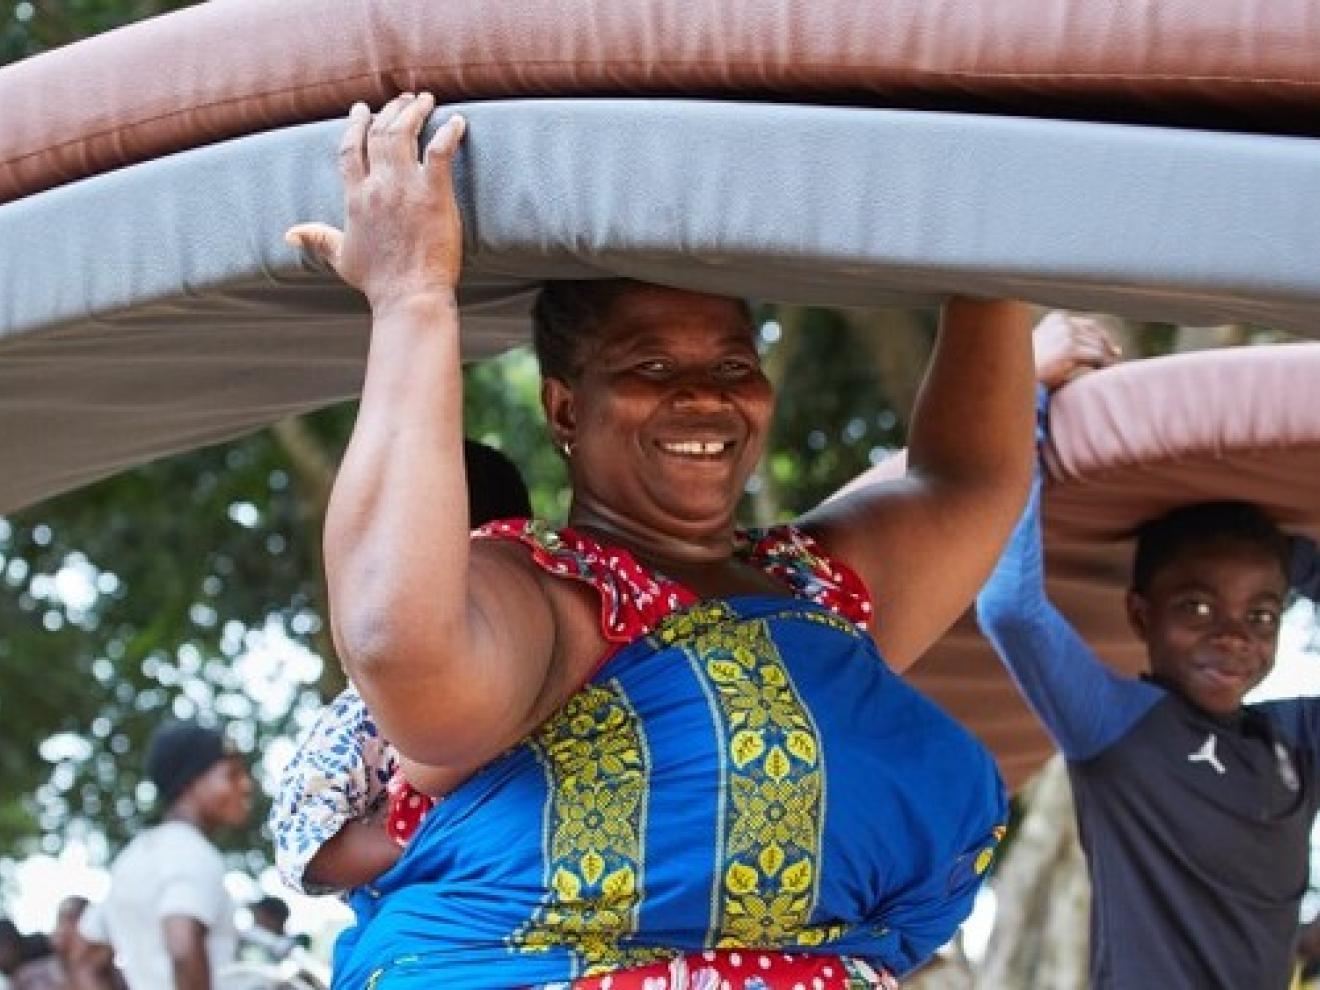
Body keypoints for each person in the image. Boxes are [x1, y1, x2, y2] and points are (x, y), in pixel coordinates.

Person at [285, 92, 1037, 988]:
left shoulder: (815, 590)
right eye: (651, 366)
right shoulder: (553, 593)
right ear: (566, 409)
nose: (704, 395)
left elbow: (969, 481)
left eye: (733, 364)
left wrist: (994, 245)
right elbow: (399, 648)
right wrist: (411, 298)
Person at [976, 313, 1320, 989]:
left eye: (1260, 614)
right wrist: (1024, 391)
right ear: (1141, 614)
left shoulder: (1293, 743)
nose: (1233, 635)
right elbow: (1009, 607)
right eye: (1197, 607)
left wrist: (1294, 559)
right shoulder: (1116, 723)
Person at [271, 440, 532, 895]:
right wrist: (438, 845)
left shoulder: (575, 662)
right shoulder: (373, 706)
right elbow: (306, 840)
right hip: (447, 911)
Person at [74, 722, 253, 990]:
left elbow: (85, 960)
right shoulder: (194, 854)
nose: (246, 785)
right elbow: (182, 949)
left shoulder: (134, 856)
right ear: (192, 781)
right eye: (232, 774)